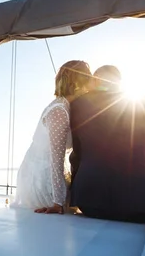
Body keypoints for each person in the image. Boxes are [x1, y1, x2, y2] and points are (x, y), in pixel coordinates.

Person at [69, 65, 145, 224]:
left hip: (90, 203)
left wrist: (73, 195)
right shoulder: (141, 101)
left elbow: (77, 155)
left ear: (94, 80)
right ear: (119, 82)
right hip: (142, 203)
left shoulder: (77, 105)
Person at [14, 60, 91, 214]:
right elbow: (56, 160)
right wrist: (58, 203)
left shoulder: (65, 107)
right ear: (79, 82)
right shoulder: (59, 112)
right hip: (43, 182)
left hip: (49, 176)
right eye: (88, 79)